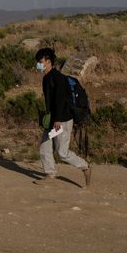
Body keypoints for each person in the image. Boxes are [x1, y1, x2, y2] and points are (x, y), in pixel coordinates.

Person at [34, 47, 91, 186]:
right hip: (52, 121)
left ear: (48, 61)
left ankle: (85, 167)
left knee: (62, 153)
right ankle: (50, 173)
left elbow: (61, 100)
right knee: (45, 146)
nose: (38, 65)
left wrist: (58, 119)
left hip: (62, 122)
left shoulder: (58, 78)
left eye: (40, 61)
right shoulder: (47, 78)